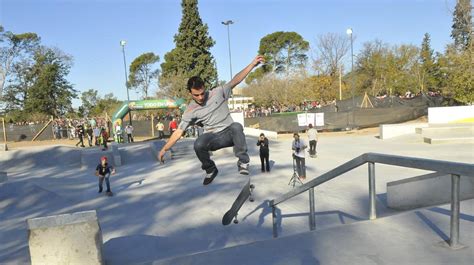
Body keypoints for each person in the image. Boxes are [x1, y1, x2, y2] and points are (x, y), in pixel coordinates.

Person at [158, 55, 265, 185]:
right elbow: (179, 131)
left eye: (202, 93)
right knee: (198, 144)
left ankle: (243, 162)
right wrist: (164, 149)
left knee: (236, 126)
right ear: (190, 94)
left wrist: (252, 64)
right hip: (213, 138)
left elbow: (235, 80)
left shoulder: (218, 92)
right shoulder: (190, 110)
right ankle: (210, 169)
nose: (200, 97)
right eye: (196, 95)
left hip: (229, 133)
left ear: (205, 87)